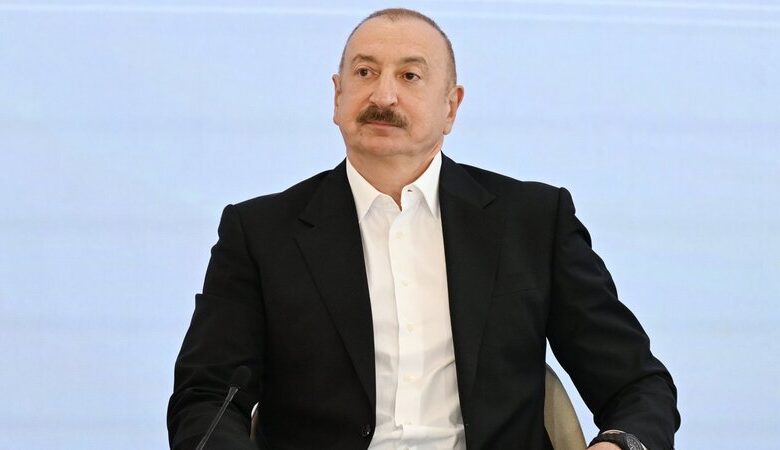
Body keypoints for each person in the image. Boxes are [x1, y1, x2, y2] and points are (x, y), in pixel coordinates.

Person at [167, 8, 679, 450]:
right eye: (365, 72)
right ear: (338, 95)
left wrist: (618, 444)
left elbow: (637, 386)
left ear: (451, 106)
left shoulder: (532, 221)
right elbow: (207, 397)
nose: (384, 94)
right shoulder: (261, 233)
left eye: (410, 76)